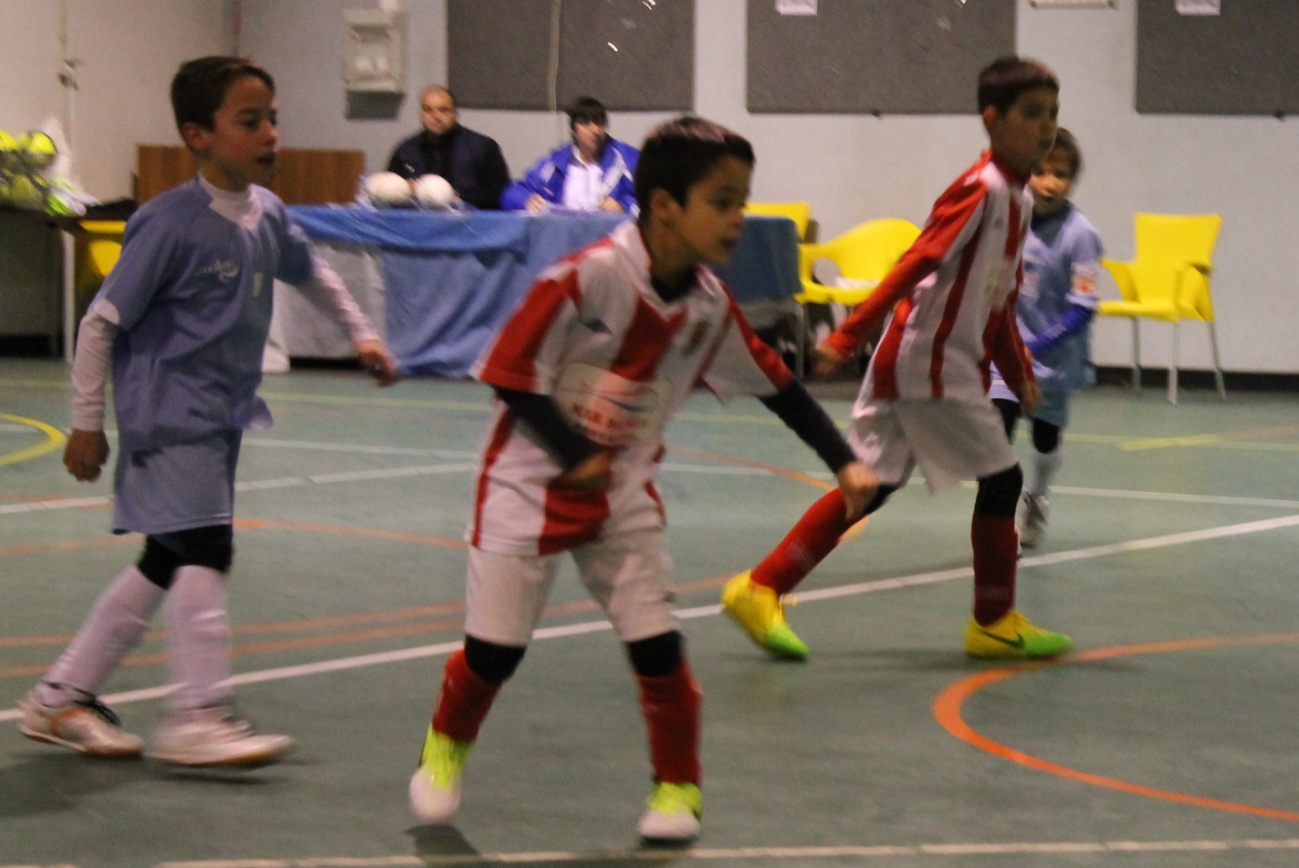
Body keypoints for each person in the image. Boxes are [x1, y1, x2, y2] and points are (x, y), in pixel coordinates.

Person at [406, 116, 877, 842]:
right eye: (721, 202)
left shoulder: (710, 306)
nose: (737, 218)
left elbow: (778, 386)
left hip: (621, 495)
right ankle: (443, 750)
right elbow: (510, 374)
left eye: (742, 202)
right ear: (663, 206)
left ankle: (677, 789)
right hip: (525, 487)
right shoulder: (587, 277)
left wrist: (842, 459)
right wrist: (576, 452)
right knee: (494, 653)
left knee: (657, 646)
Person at [16, 56, 401, 767]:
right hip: (170, 416)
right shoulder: (168, 224)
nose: (270, 134)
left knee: (165, 556)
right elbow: (100, 324)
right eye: (249, 121)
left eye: (272, 119)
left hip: (221, 416)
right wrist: (86, 422)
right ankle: (197, 715)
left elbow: (312, 273)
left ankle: (60, 697)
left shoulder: (268, 214)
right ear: (198, 136)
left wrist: (362, 336)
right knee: (206, 548)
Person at [720, 56, 1074, 663]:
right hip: (928, 363)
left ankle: (761, 587)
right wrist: (849, 332)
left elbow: (999, 297)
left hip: (924, 362)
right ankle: (994, 621)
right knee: (1003, 478)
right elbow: (917, 260)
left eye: (1053, 114)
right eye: (1032, 114)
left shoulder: (1017, 199)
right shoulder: (982, 188)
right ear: (993, 120)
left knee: (873, 484)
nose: (1046, 126)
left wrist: (1016, 370)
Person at [990, 128, 1102, 549]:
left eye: (1061, 174)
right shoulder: (1008, 220)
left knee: (1045, 438)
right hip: (1007, 358)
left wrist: (1035, 346)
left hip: (1051, 362)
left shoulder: (1080, 234)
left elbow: (1083, 307)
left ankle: (1037, 496)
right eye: (1040, 172)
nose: (1050, 183)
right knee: (996, 437)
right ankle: (997, 524)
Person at [500, 96, 639, 215]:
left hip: (611, 235)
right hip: (564, 235)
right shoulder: (555, 164)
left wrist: (624, 207)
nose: (594, 130)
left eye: (599, 122)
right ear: (574, 131)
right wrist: (526, 200)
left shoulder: (626, 159)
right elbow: (510, 193)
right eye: (585, 123)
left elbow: (648, 197)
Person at [386, 85, 510, 210]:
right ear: (421, 114)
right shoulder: (406, 151)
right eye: (428, 110)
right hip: (418, 219)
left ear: (455, 113)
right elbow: (389, 193)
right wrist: (405, 189)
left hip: (469, 219)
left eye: (443, 110)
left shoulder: (483, 147)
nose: (436, 117)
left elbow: (500, 192)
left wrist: (459, 199)